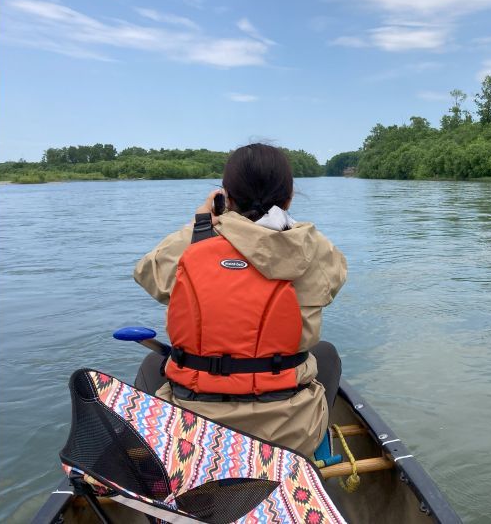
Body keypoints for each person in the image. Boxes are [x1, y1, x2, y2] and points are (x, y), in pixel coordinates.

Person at [133, 143, 347, 457]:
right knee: (325, 353)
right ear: (288, 198)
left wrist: (199, 224)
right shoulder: (312, 247)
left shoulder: (195, 242)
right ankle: (311, 450)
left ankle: (157, 451)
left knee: (154, 363)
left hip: (194, 432)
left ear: (226, 198)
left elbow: (146, 274)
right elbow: (335, 279)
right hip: (291, 436)